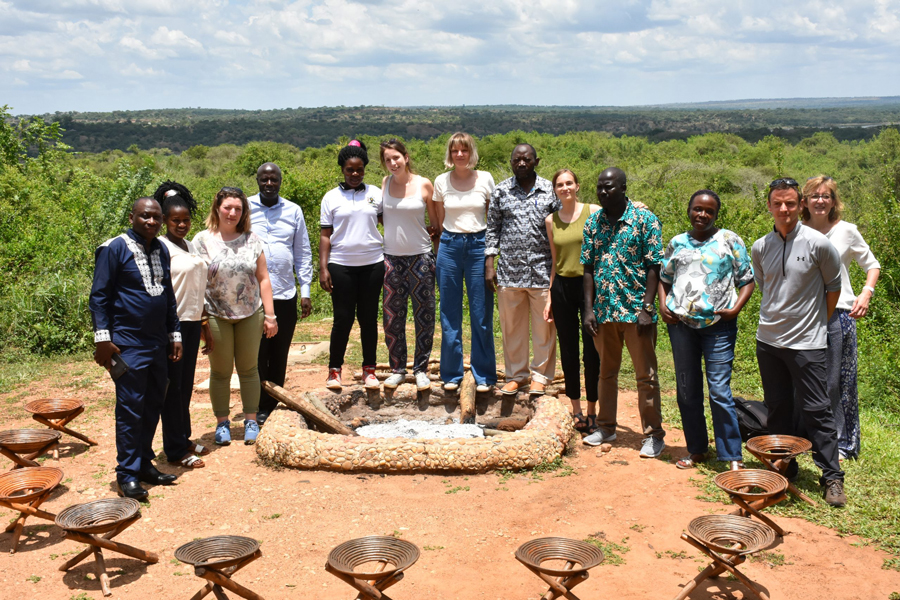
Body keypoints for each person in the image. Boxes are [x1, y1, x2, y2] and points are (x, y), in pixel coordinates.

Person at [752, 177, 846, 507]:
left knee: (817, 409)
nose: (784, 209)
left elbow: (833, 288)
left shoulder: (819, 244)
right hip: (769, 341)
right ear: (769, 205)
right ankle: (783, 466)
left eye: (790, 203)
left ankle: (832, 477)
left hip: (808, 343)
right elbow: (767, 288)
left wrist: (816, 322)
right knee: (777, 407)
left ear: (800, 205)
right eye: (777, 203)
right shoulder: (761, 246)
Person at [90, 197, 182, 500]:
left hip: (156, 342)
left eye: (156, 217)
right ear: (132, 216)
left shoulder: (161, 248)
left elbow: (167, 295)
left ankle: (144, 464)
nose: (152, 222)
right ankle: (126, 475)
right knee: (130, 410)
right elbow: (99, 296)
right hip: (126, 344)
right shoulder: (113, 248)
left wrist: (175, 334)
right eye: (145, 216)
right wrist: (102, 338)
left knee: (153, 404)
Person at [658, 190, 755, 470]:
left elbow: (747, 279)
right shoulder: (677, 243)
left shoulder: (729, 240)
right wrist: (663, 305)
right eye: (697, 209)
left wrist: (736, 308)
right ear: (689, 210)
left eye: (709, 211)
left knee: (719, 391)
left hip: (719, 327)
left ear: (716, 215)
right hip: (681, 326)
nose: (702, 215)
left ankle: (732, 456)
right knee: (687, 391)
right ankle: (697, 449)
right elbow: (665, 278)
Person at [581, 167, 666, 457]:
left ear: (623, 188)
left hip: (636, 313)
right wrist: (588, 310)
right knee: (607, 373)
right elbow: (588, 269)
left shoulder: (645, 220)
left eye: (609, 187)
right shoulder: (593, 223)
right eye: (599, 188)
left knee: (646, 375)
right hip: (604, 312)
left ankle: (654, 434)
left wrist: (647, 307)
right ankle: (606, 427)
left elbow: (654, 266)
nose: (603, 192)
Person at [802, 175, 880, 461]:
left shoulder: (846, 231)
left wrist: (866, 293)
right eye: (814, 195)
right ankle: (807, 437)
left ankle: (843, 443)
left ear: (834, 201)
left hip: (839, 312)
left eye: (826, 195)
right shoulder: (797, 230)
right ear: (805, 201)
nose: (820, 200)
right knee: (806, 378)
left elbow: (871, 265)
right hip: (805, 315)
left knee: (837, 381)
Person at [193, 187, 278, 446]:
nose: (232, 213)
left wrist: (271, 315)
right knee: (220, 371)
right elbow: (196, 281)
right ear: (217, 208)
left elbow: (263, 278)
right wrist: (201, 319)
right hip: (216, 314)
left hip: (250, 313)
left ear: (244, 212)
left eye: (238, 209)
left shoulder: (252, 240)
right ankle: (222, 423)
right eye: (228, 207)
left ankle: (250, 419)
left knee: (249, 368)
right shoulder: (201, 240)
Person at [485, 143, 560, 396]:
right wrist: (489, 263)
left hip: (543, 270)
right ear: (511, 162)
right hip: (509, 271)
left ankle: (540, 377)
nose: (521, 163)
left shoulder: (550, 189)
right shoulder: (501, 190)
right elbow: (493, 227)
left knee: (544, 328)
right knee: (512, 328)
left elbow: (566, 220)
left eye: (526, 159)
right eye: (516, 159)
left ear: (536, 161)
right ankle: (517, 375)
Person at [249, 162, 313, 427]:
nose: (269, 184)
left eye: (273, 179)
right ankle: (255, 404)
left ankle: (271, 405)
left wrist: (305, 290)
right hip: (251, 296)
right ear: (258, 181)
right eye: (264, 179)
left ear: (280, 181)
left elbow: (302, 252)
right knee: (256, 353)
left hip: (284, 294)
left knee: (279, 352)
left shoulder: (293, 211)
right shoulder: (244, 208)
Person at [154, 182, 213, 469]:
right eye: (175, 220)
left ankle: (183, 437)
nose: (181, 224)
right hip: (172, 326)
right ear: (164, 220)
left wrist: (205, 324)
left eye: (186, 220)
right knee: (173, 387)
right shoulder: (160, 248)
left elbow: (197, 289)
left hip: (192, 322)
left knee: (185, 385)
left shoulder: (190, 246)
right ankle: (175, 449)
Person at [433, 132, 496, 394]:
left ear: (472, 152)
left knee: (481, 313)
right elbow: (437, 221)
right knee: (449, 312)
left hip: (479, 246)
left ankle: (483, 375)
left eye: (465, 150)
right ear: (450, 153)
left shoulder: (486, 179)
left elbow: (492, 219)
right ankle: (451, 373)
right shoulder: (440, 181)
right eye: (455, 150)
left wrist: (491, 253)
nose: (460, 155)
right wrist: (441, 250)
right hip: (449, 246)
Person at [319, 140, 384, 390]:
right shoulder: (331, 198)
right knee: (342, 319)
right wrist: (324, 268)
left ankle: (369, 370)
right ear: (342, 169)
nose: (354, 174)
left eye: (359, 169)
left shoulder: (375, 194)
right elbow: (326, 235)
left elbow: (387, 223)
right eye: (349, 170)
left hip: (372, 265)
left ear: (365, 168)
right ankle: (334, 371)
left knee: (368, 319)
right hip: (341, 265)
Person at [542, 169, 601, 435]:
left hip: (590, 286)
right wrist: (549, 295)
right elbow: (555, 261)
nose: (565, 188)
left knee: (592, 350)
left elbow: (620, 210)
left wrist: (637, 204)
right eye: (559, 184)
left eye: (569, 183)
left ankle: (592, 410)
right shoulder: (551, 220)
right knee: (568, 349)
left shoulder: (594, 211)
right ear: (555, 189)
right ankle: (575, 408)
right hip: (563, 287)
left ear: (577, 186)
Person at [379, 139, 438, 391]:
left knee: (424, 315)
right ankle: (398, 368)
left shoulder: (424, 184)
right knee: (392, 316)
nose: (393, 163)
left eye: (396, 158)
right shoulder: (384, 183)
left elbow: (436, 224)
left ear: (406, 156)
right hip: (391, 258)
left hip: (421, 257)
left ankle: (421, 369)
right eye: (387, 160)